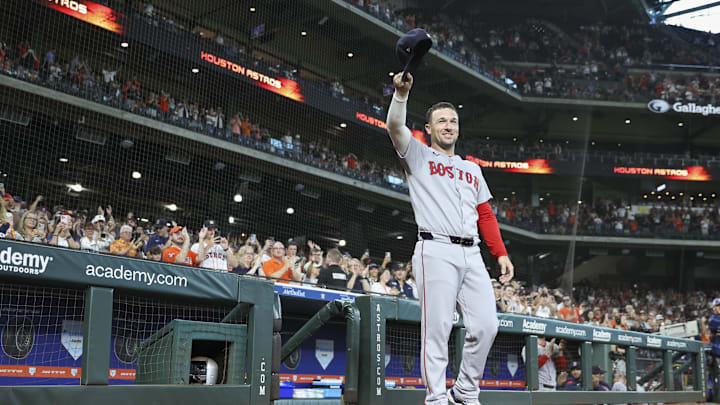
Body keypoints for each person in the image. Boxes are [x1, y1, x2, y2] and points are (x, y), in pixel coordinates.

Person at [386, 67, 513, 404]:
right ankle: (437, 399)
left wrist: (499, 252)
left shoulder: (472, 169)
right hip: (435, 248)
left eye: (453, 121)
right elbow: (395, 126)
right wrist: (401, 94)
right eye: (441, 121)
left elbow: (484, 214)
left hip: (472, 255)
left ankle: (466, 391)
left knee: (487, 325)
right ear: (428, 128)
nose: (448, 126)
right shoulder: (418, 154)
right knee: (438, 329)